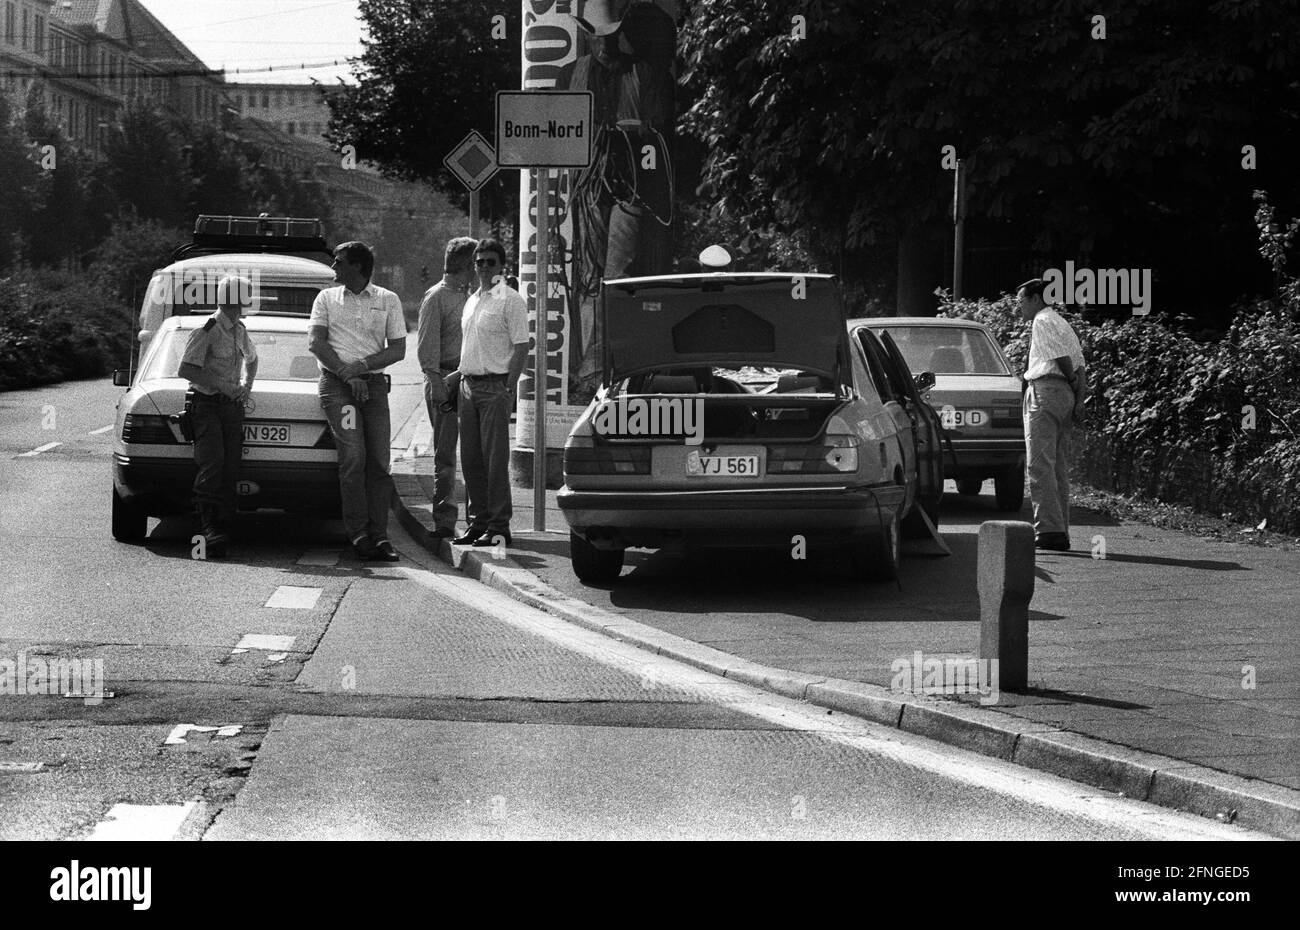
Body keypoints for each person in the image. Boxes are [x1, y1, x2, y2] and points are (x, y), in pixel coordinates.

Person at [309, 241, 407, 561]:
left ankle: (380, 536)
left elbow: (398, 349)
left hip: (373, 387)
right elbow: (316, 343)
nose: (334, 268)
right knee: (354, 456)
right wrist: (346, 373)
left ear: (358, 267)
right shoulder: (326, 298)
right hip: (339, 389)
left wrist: (363, 368)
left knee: (379, 461)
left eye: (339, 263)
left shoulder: (387, 300)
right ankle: (359, 533)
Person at [452, 238, 530, 547]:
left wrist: (508, 387)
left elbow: (522, 346)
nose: (484, 267)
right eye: (480, 262)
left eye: (490, 262)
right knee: (471, 460)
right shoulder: (473, 300)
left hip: (494, 387)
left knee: (495, 461)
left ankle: (498, 527)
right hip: (468, 386)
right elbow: (472, 346)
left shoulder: (509, 300)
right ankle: (478, 522)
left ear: (502, 267)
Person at [177, 274, 259, 555]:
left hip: (231, 407)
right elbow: (186, 369)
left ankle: (224, 524)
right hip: (207, 404)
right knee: (212, 463)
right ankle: (208, 527)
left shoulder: (239, 329)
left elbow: (253, 358)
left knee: (231, 466)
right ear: (237, 299)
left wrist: (246, 386)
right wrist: (223, 384)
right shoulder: (207, 329)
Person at [1015, 277, 1089, 551]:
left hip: (1045, 391)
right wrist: (1078, 400)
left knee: (1039, 463)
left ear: (1036, 299)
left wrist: (1068, 378)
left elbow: (1064, 360)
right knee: (1058, 466)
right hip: (1065, 398)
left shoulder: (1042, 321)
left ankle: (1048, 531)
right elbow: (1082, 367)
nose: (1019, 307)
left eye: (1022, 301)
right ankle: (1060, 530)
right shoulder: (1062, 322)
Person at [417, 236, 477, 539]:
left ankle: (473, 519)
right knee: (445, 454)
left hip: (467, 377)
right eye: (475, 263)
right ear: (465, 265)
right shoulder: (436, 297)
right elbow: (427, 346)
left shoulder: (470, 296)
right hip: (443, 377)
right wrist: (435, 382)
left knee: (471, 452)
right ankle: (444, 520)